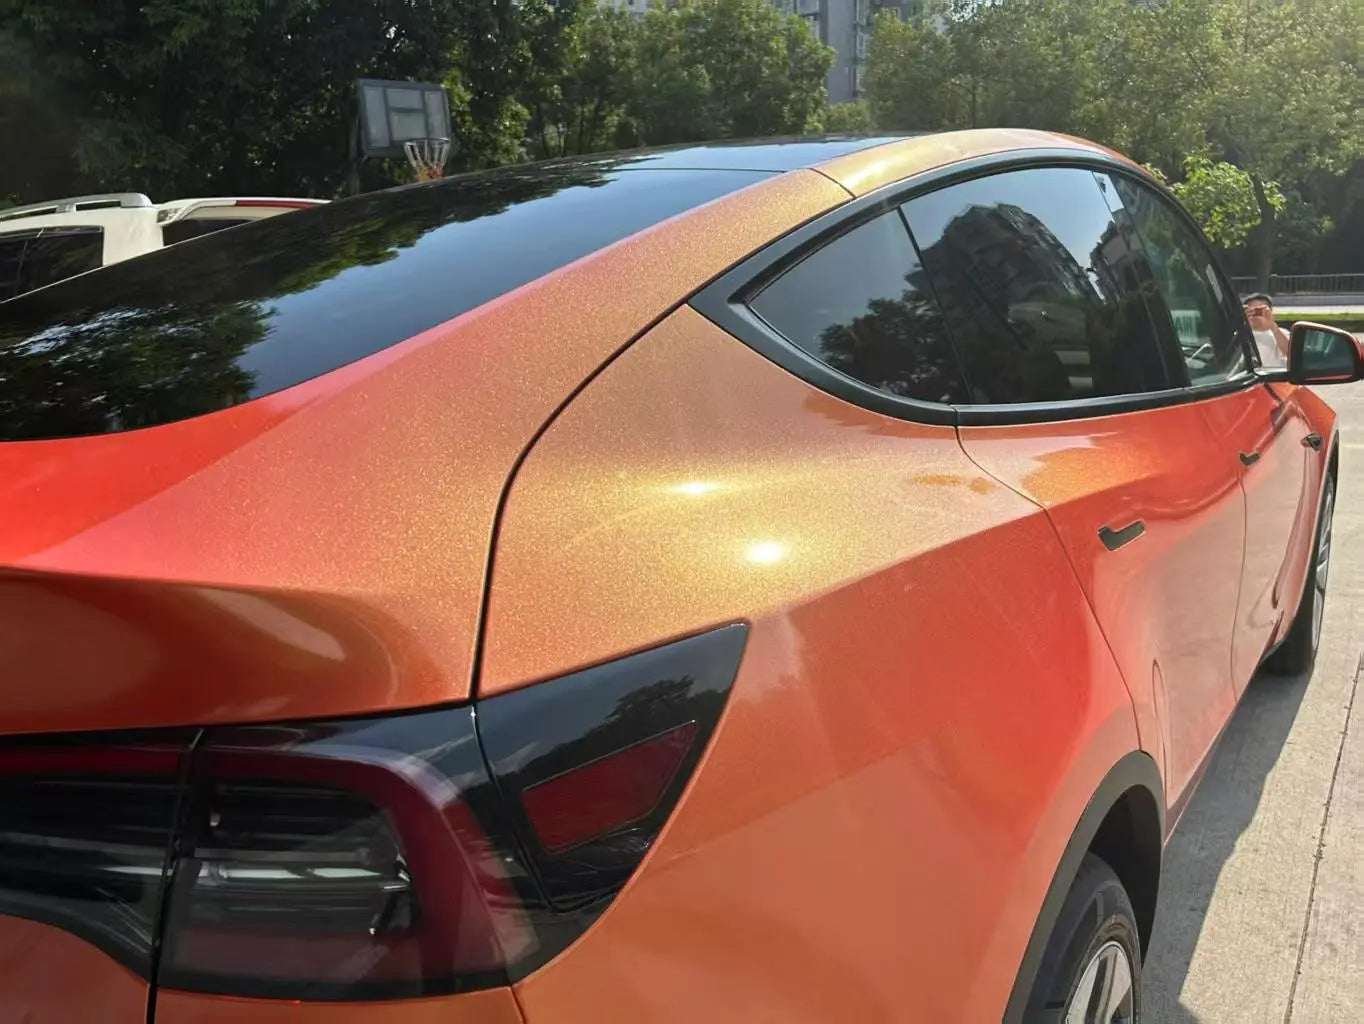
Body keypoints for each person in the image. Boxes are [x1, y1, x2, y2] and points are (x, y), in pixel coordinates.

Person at [1243, 292, 1290, 369]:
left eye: (1260, 310)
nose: (1255, 314)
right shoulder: (1239, 335)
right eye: (1251, 311)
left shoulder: (1281, 333)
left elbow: (1291, 353)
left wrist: (1273, 326)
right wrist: (1243, 324)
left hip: (1273, 378)